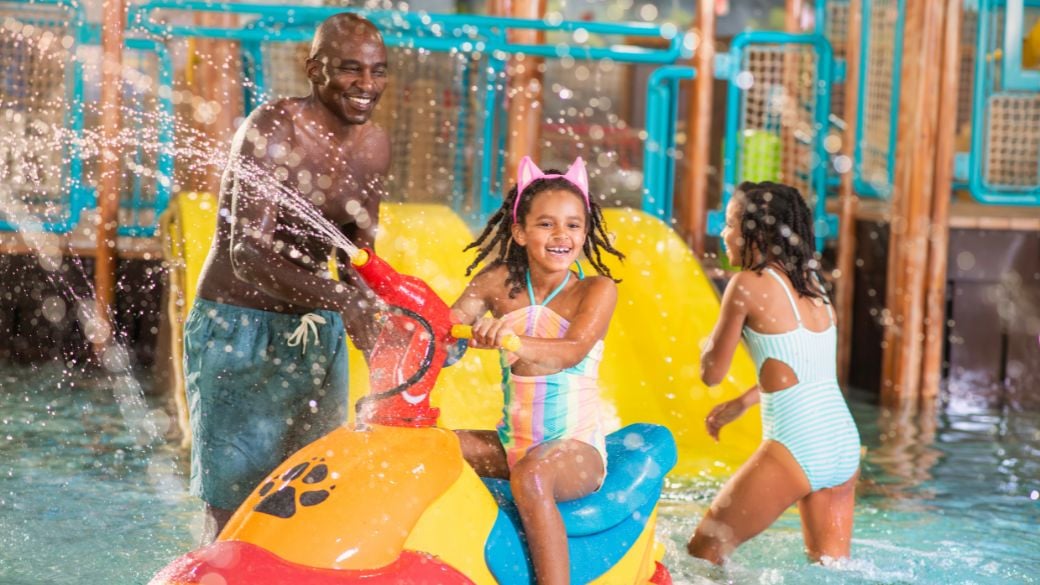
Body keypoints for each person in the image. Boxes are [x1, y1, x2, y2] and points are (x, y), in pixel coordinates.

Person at [184, 13, 389, 542]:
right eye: (350, 70)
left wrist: (387, 313)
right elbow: (248, 253)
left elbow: (356, 253)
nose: (367, 85)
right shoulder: (274, 129)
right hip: (238, 329)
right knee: (233, 505)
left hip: (314, 335)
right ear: (314, 70)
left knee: (310, 493)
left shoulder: (374, 145)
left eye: (378, 71)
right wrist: (346, 301)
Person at [450, 155, 624, 584]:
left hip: (575, 449)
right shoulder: (497, 282)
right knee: (428, 448)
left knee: (531, 475)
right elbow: (447, 329)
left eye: (573, 225)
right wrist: (441, 333)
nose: (561, 235)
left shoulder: (595, 290)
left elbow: (570, 351)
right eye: (546, 224)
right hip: (513, 442)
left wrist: (505, 337)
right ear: (519, 231)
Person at [687, 181, 861, 564]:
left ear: (758, 233)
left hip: (797, 445)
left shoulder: (746, 284)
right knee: (830, 571)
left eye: (731, 224)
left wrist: (707, 346)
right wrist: (745, 402)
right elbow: (806, 370)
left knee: (703, 553)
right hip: (842, 442)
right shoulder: (813, 285)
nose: (724, 233)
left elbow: (711, 374)